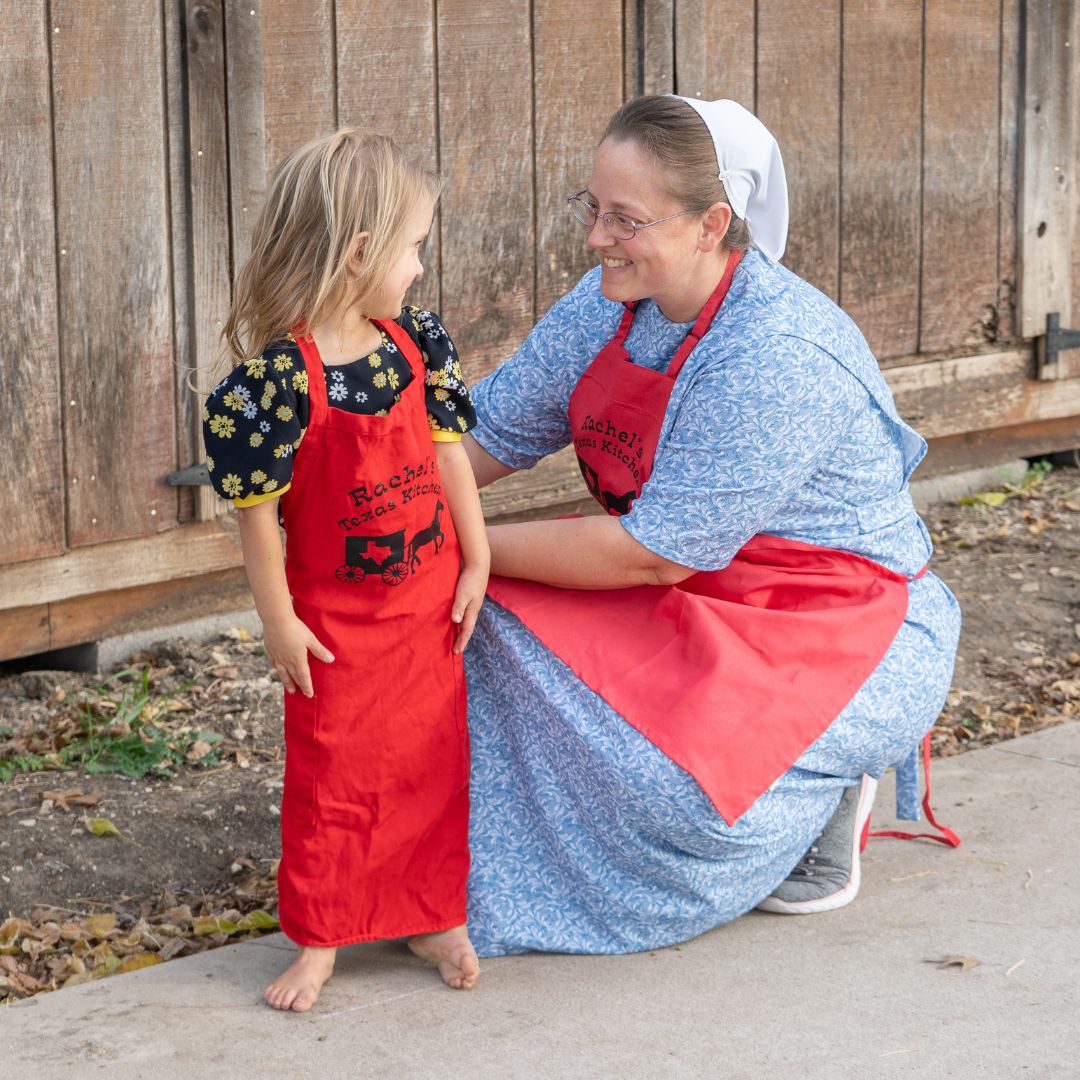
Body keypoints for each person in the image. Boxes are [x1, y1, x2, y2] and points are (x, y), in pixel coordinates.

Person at [459, 95, 961, 956]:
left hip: (836, 621)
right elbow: (488, 438)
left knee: (672, 789)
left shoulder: (778, 352)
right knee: (470, 621)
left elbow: (650, 554)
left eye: (625, 218)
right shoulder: (606, 301)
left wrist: (454, 550)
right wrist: (374, 516)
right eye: (592, 209)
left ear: (712, 224)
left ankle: (814, 798)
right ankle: (438, 866)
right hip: (693, 585)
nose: (595, 239)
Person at [202, 129, 488, 1009]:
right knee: (334, 779)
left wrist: (476, 555)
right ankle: (323, 936)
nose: (417, 267)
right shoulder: (277, 385)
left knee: (430, 768)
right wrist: (278, 619)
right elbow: (259, 525)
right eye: (413, 248)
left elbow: (448, 458)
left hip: (426, 612)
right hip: (336, 631)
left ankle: (432, 913)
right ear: (360, 252)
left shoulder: (414, 346)